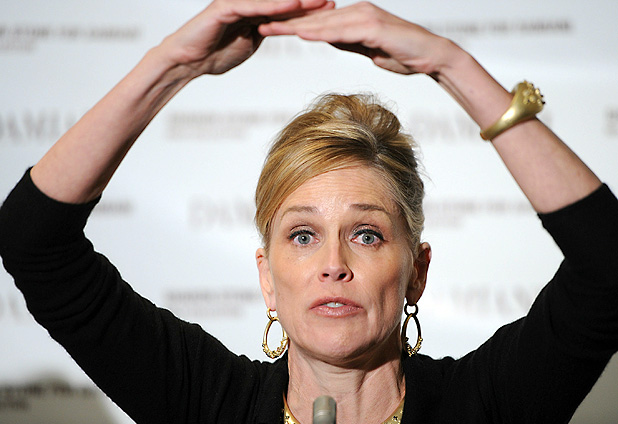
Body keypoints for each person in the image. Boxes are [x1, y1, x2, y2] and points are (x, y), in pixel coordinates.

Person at [1, 1, 616, 423]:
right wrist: (172, 66)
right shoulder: (207, 403)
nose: (333, 264)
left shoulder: (486, 405)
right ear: (267, 277)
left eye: (367, 234)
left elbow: (608, 264)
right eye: (302, 235)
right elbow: (34, 241)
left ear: (417, 271)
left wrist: (450, 65)